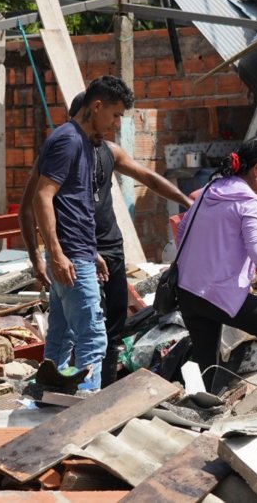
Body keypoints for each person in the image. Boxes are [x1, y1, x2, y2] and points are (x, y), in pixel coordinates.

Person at [63, 91, 192, 386]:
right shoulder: (65, 154)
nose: (110, 126)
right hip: (81, 251)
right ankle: (80, 390)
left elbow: (147, 177)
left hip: (111, 248)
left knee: (113, 325)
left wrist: (186, 200)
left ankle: (104, 388)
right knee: (85, 327)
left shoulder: (109, 151)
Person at [18, 75, 134, 391]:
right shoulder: (68, 140)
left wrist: (91, 252)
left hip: (78, 254)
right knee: (93, 337)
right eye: (114, 115)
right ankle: (84, 410)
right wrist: (55, 253)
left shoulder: (81, 143)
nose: (114, 124)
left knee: (60, 337)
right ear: (97, 106)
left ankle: (45, 399)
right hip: (69, 258)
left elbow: (71, 206)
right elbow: (42, 196)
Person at [175, 136, 257, 393]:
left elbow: (182, 230)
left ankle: (198, 410)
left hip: (186, 289)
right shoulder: (249, 203)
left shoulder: (210, 190)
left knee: (206, 356)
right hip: (218, 294)